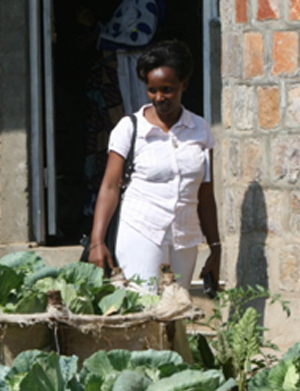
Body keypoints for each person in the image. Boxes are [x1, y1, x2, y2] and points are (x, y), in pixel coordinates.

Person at [87, 39, 221, 293]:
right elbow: (110, 186)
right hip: (142, 229)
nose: (159, 97)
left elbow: (205, 193)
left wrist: (216, 247)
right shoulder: (130, 129)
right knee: (144, 303)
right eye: (152, 90)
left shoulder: (200, 130)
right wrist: (97, 241)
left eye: (167, 90)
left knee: (176, 308)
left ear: (184, 85)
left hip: (185, 236)